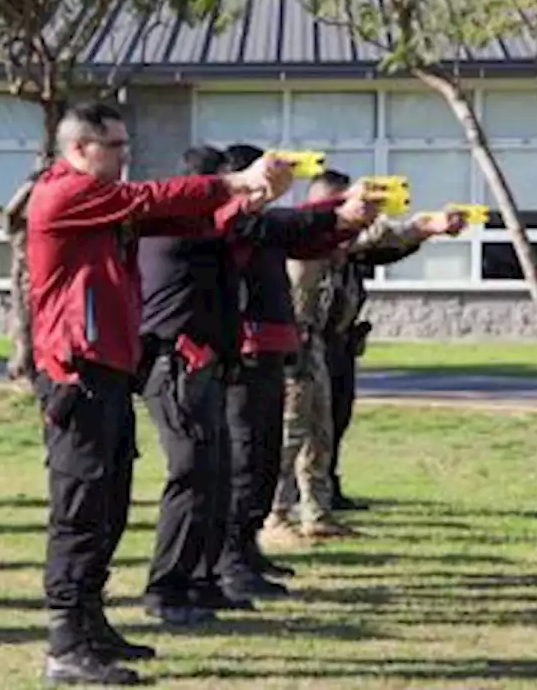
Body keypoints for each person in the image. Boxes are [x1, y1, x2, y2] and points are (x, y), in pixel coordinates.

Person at [28, 101, 292, 686]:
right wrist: (231, 181)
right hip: (76, 375)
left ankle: (90, 626)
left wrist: (244, 200)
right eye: (115, 146)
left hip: (109, 374)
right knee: (79, 511)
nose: (126, 156)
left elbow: (178, 219)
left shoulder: (99, 202)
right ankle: (66, 643)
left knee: (108, 506)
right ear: (79, 150)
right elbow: (150, 201)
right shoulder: (64, 194)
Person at [138, 146, 377, 625]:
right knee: (199, 476)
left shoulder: (213, 226)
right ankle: (172, 588)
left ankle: (203, 579)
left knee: (222, 472)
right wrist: (335, 210)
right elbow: (270, 224)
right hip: (182, 364)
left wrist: (340, 212)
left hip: (211, 362)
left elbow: (280, 225)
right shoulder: (180, 222)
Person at [266, 170, 465, 545]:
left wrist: (430, 225)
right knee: (289, 433)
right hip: (292, 347)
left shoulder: (343, 239)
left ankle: (317, 514)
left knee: (321, 432)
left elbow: (386, 236)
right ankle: (274, 515)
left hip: (320, 347)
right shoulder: (302, 234)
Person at [214, 144, 366, 600]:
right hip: (248, 351)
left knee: (265, 455)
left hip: (283, 347)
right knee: (251, 456)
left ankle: (250, 548)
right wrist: (337, 211)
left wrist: (352, 218)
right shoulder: (236, 222)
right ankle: (236, 555)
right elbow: (295, 225)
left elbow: (313, 234)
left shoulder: (271, 227)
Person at [323, 233, 423, 511]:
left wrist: (422, 233)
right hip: (320, 348)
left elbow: (385, 252)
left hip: (343, 346)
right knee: (320, 422)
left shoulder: (352, 259)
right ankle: (310, 491)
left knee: (339, 417)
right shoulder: (316, 257)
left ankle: (329, 484)